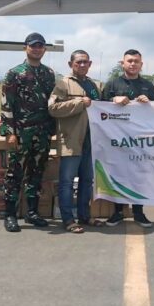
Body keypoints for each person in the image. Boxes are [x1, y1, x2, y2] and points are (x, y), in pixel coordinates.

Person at [0, 32, 56, 233]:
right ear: (26, 48)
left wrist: (52, 129)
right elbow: (6, 105)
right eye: (33, 46)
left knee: (37, 172)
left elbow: (53, 104)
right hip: (21, 133)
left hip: (42, 133)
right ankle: (10, 215)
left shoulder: (49, 74)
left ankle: (32, 213)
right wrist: (10, 132)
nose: (37, 49)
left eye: (40, 46)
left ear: (44, 49)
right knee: (15, 173)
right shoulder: (14, 73)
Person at [49, 50, 104, 233]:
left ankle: (85, 216)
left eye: (85, 62)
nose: (82, 65)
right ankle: (68, 219)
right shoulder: (63, 84)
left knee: (87, 181)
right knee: (66, 182)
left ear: (90, 64)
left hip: (91, 141)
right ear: (70, 64)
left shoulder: (95, 85)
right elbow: (53, 108)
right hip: (71, 140)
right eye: (78, 62)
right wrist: (79, 103)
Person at [102, 49, 154, 228]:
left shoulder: (148, 85)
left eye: (136, 61)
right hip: (117, 139)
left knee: (139, 175)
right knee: (118, 173)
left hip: (140, 140)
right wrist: (113, 99)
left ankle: (139, 212)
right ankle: (117, 212)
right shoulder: (112, 84)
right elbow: (100, 107)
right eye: (129, 61)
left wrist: (149, 102)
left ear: (141, 64)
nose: (133, 64)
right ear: (122, 63)